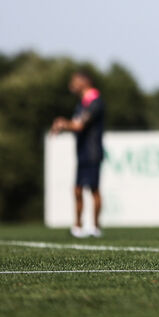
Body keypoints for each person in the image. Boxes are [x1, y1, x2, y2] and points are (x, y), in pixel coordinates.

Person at [50, 70, 106, 238]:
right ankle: (77, 226)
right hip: (82, 151)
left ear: (85, 82)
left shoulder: (95, 102)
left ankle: (95, 227)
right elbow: (75, 123)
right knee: (77, 189)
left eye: (75, 81)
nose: (72, 85)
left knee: (93, 189)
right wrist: (65, 125)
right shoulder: (82, 103)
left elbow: (79, 125)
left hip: (93, 151)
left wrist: (62, 124)